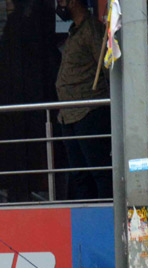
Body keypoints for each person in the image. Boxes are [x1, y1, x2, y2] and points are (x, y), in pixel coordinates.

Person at [0, 0, 59, 201]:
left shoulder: (17, 23)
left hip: (17, 105)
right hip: (38, 102)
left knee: (19, 157)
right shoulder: (39, 23)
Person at [55, 0, 112, 201]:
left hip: (89, 112)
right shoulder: (74, 31)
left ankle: (105, 216)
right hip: (69, 115)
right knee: (79, 176)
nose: (59, 5)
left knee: (99, 172)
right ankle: (87, 218)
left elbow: (107, 67)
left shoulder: (92, 29)